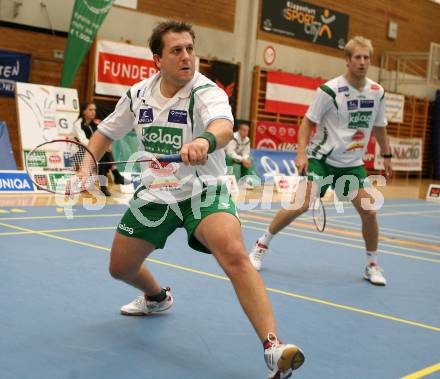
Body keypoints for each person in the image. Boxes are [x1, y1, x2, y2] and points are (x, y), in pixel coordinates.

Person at [83, 21, 304, 378]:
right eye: (176, 50)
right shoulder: (138, 95)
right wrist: (85, 168)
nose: (186, 56)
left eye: (190, 48)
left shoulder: (207, 91)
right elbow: (104, 134)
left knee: (232, 252)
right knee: (120, 268)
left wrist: (204, 141)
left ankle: (273, 348)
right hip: (155, 194)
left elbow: (223, 126)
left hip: (204, 190)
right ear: (157, 59)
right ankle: (157, 298)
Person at [250, 36, 393, 286]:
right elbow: (308, 121)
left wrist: (387, 155)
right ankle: (261, 245)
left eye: (366, 57)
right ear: (347, 60)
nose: (362, 62)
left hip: (351, 164)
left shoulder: (377, 93)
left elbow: (380, 127)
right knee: (301, 203)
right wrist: (301, 152)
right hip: (321, 160)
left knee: (369, 211)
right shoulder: (330, 90)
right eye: (357, 57)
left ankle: (372, 264)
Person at [73, 101, 129, 196]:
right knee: (103, 152)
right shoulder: (78, 124)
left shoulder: (95, 124)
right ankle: (114, 176)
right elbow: (83, 141)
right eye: (90, 110)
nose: (93, 112)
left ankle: (105, 185)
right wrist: (98, 146)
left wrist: (104, 146)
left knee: (104, 152)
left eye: (94, 110)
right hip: (80, 153)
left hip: (94, 153)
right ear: (83, 111)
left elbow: (104, 138)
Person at [225, 120, 259, 188]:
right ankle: (231, 183)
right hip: (227, 157)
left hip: (238, 158)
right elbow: (230, 153)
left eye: (247, 131)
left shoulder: (247, 140)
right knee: (232, 163)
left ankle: (246, 181)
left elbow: (246, 153)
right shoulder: (233, 137)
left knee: (249, 160)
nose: (246, 133)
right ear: (239, 130)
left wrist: (245, 159)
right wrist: (242, 159)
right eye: (244, 130)